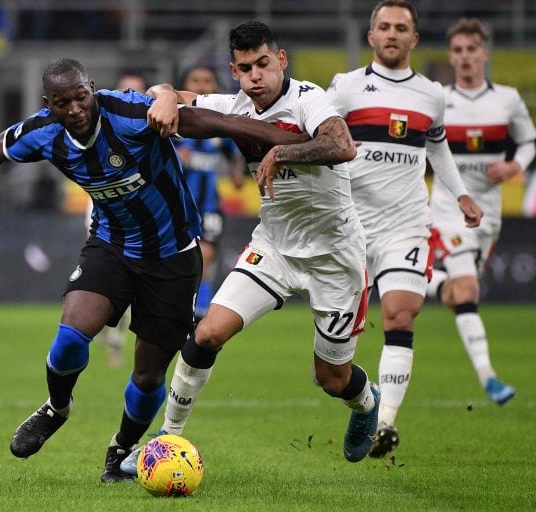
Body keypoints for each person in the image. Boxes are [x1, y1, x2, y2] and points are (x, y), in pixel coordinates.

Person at [0, 57, 310, 483]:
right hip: (111, 247)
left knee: (148, 375)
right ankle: (56, 408)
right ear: (49, 104)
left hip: (173, 255)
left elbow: (214, 123)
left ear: (92, 89)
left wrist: (290, 140)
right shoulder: (43, 132)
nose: (75, 109)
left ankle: (121, 450)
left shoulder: (132, 114)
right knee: (69, 339)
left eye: (81, 97)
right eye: (63, 103)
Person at [120, 20, 380, 476]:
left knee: (331, 378)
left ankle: (366, 403)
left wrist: (280, 153)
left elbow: (341, 145)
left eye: (263, 63)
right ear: (234, 71)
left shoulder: (308, 99)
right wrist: (163, 95)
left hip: (335, 257)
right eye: (245, 68)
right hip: (274, 249)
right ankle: (167, 438)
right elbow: (171, 97)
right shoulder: (233, 105)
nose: (256, 75)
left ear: (280, 61)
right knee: (206, 334)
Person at [325, 0, 483, 458]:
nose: (392, 34)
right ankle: (365, 404)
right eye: (384, 27)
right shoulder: (346, 88)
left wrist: (461, 195)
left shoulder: (431, 95)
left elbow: (439, 149)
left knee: (399, 314)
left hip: (407, 225)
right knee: (333, 354)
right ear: (371, 36)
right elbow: (315, 134)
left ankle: (385, 424)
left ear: (413, 39)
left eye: (401, 28)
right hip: (348, 226)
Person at [426, 18, 536, 405]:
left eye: (471, 49)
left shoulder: (506, 98)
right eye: (457, 50)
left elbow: (528, 142)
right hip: (448, 211)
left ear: (484, 54)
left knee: (458, 294)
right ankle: (489, 378)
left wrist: (515, 166)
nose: (464, 57)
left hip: (489, 215)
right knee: (470, 289)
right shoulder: (438, 98)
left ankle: (425, 280)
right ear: (450, 56)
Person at [173, 65, 246, 322]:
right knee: (180, 267)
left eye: (207, 80)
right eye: (195, 80)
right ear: (184, 84)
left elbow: (233, 152)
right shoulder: (173, 121)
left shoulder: (220, 125)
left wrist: (238, 173)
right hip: (176, 207)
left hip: (210, 207)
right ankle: (180, 310)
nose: (202, 85)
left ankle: (199, 316)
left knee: (203, 260)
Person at [89, 71, 148, 368]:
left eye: (136, 92)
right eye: (125, 91)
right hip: (103, 215)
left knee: (133, 289)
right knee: (105, 281)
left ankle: (115, 343)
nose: (130, 98)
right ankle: (99, 323)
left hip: (143, 224)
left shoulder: (150, 129)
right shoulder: (102, 126)